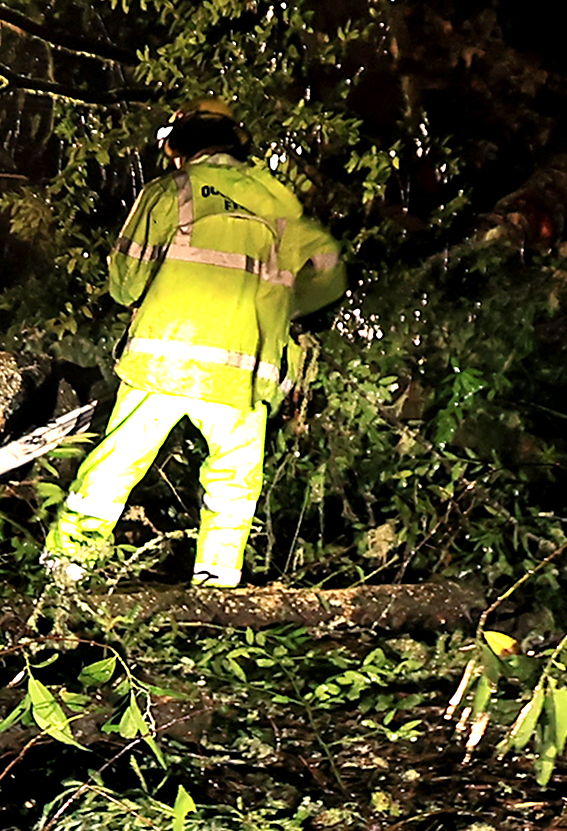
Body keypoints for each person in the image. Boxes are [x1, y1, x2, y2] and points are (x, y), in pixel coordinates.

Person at [42, 100, 346, 587]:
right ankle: (217, 586)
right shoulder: (278, 201)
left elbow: (125, 284)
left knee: (116, 465)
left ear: (180, 147)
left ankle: (68, 571)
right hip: (244, 371)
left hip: (162, 361)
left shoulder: (171, 191)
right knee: (234, 483)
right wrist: (286, 305)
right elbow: (329, 271)